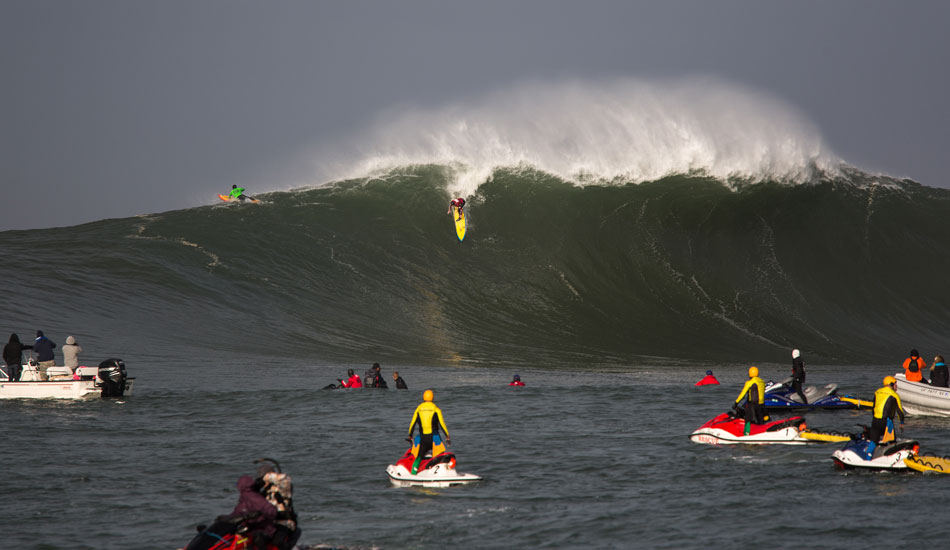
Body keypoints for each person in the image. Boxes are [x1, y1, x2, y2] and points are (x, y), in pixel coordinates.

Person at [256, 463, 300, 550]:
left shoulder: (283, 487)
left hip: (284, 523)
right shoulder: (264, 492)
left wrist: (264, 478)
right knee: (256, 538)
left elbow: (284, 478)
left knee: (278, 541)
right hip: (269, 524)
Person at [407, 389, 451, 474]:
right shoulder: (436, 409)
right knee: (439, 456)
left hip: (423, 438)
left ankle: (413, 473)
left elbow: (412, 424)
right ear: (432, 398)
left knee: (419, 457)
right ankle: (440, 472)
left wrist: (410, 435)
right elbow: (442, 424)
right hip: (434, 439)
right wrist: (447, 436)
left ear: (423, 398)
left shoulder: (418, 409)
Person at [230, 474, 277, 550]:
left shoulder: (255, 497)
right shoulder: (243, 498)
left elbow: (271, 510)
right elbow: (237, 512)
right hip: (250, 527)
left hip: (263, 528)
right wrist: (226, 519)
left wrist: (260, 514)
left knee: (257, 538)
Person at [865, 376, 906, 459]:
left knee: (874, 441)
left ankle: (867, 457)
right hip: (887, 423)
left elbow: (873, 408)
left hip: (875, 421)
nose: (896, 386)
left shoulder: (877, 392)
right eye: (895, 384)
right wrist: (901, 423)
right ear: (891, 384)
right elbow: (900, 412)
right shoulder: (894, 395)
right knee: (892, 442)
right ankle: (891, 459)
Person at [734, 366, 766, 434]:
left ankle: (746, 434)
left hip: (752, 404)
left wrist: (736, 402)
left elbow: (743, 394)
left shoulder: (750, 382)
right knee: (760, 419)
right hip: (761, 404)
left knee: (748, 419)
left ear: (750, 373)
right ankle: (763, 432)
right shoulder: (762, 382)